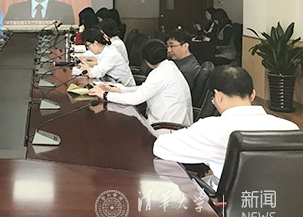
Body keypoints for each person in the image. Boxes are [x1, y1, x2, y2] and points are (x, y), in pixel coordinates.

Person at [153, 66, 298, 188]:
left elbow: (161, 147)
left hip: (224, 206)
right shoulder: (291, 128)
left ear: (218, 96)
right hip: (280, 205)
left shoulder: (211, 128)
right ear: (253, 95)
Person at [89, 39, 193, 128]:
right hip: (171, 123)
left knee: (118, 124)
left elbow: (136, 99)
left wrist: (105, 95)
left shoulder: (159, 74)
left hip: (166, 128)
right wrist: (118, 90)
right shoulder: (169, 66)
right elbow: (145, 89)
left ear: (146, 60)